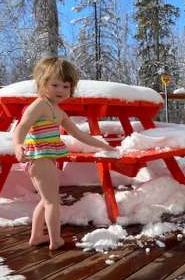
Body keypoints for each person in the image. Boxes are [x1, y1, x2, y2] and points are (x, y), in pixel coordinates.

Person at [13, 56, 116, 250]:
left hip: (45, 160)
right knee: (53, 202)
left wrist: (105, 146)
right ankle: (56, 240)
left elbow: (79, 134)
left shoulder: (58, 112)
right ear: (42, 84)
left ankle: (36, 237)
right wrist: (18, 145)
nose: (61, 90)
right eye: (55, 85)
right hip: (39, 159)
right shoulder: (39, 105)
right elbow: (21, 127)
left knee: (45, 200)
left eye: (66, 86)